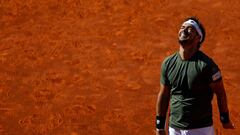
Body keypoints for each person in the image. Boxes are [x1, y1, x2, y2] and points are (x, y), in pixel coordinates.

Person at [155, 17, 234, 135]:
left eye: (190, 29)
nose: (184, 30)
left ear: (198, 38)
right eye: (182, 27)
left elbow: (220, 92)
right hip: (174, 128)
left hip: (200, 129)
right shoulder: (168, 63)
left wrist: (225, 119)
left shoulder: (207, 66)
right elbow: (164, 94)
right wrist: (160, 126)